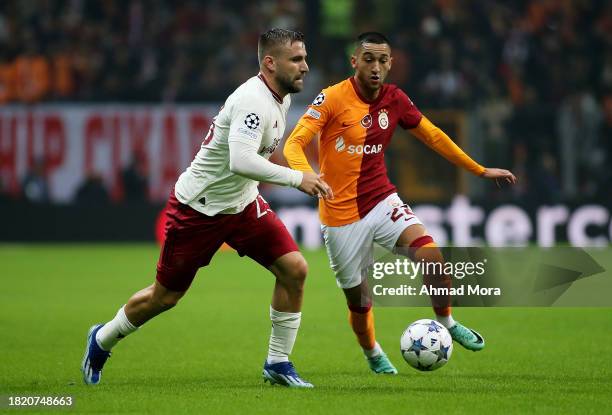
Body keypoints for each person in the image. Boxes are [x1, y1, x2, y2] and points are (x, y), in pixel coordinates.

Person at [82, 29, 331, 388]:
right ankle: (102, 338)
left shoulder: (281, 96)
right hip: (198, 210)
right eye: (296, 59)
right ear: (270, 63)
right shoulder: (252, 100)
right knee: (164, 297)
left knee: (294, 269)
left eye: (305, 58)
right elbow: (240, 160)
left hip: (243, 204)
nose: (305, 67)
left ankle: (278, 362)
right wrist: (297, 179)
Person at [284, 32, 516, 374]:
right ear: (354, 62)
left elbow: (434, 136)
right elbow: (294, 143)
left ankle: (447, 322)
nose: (376, 67)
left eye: (382, 60)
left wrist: (479, 170)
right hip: (339, 216)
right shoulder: (331, 98)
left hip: (381, 200)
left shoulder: (395, 99)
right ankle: (372, 351)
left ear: (390, 64)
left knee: (432, 257)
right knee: (360, 303)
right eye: (368, 60)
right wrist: (305, 174)